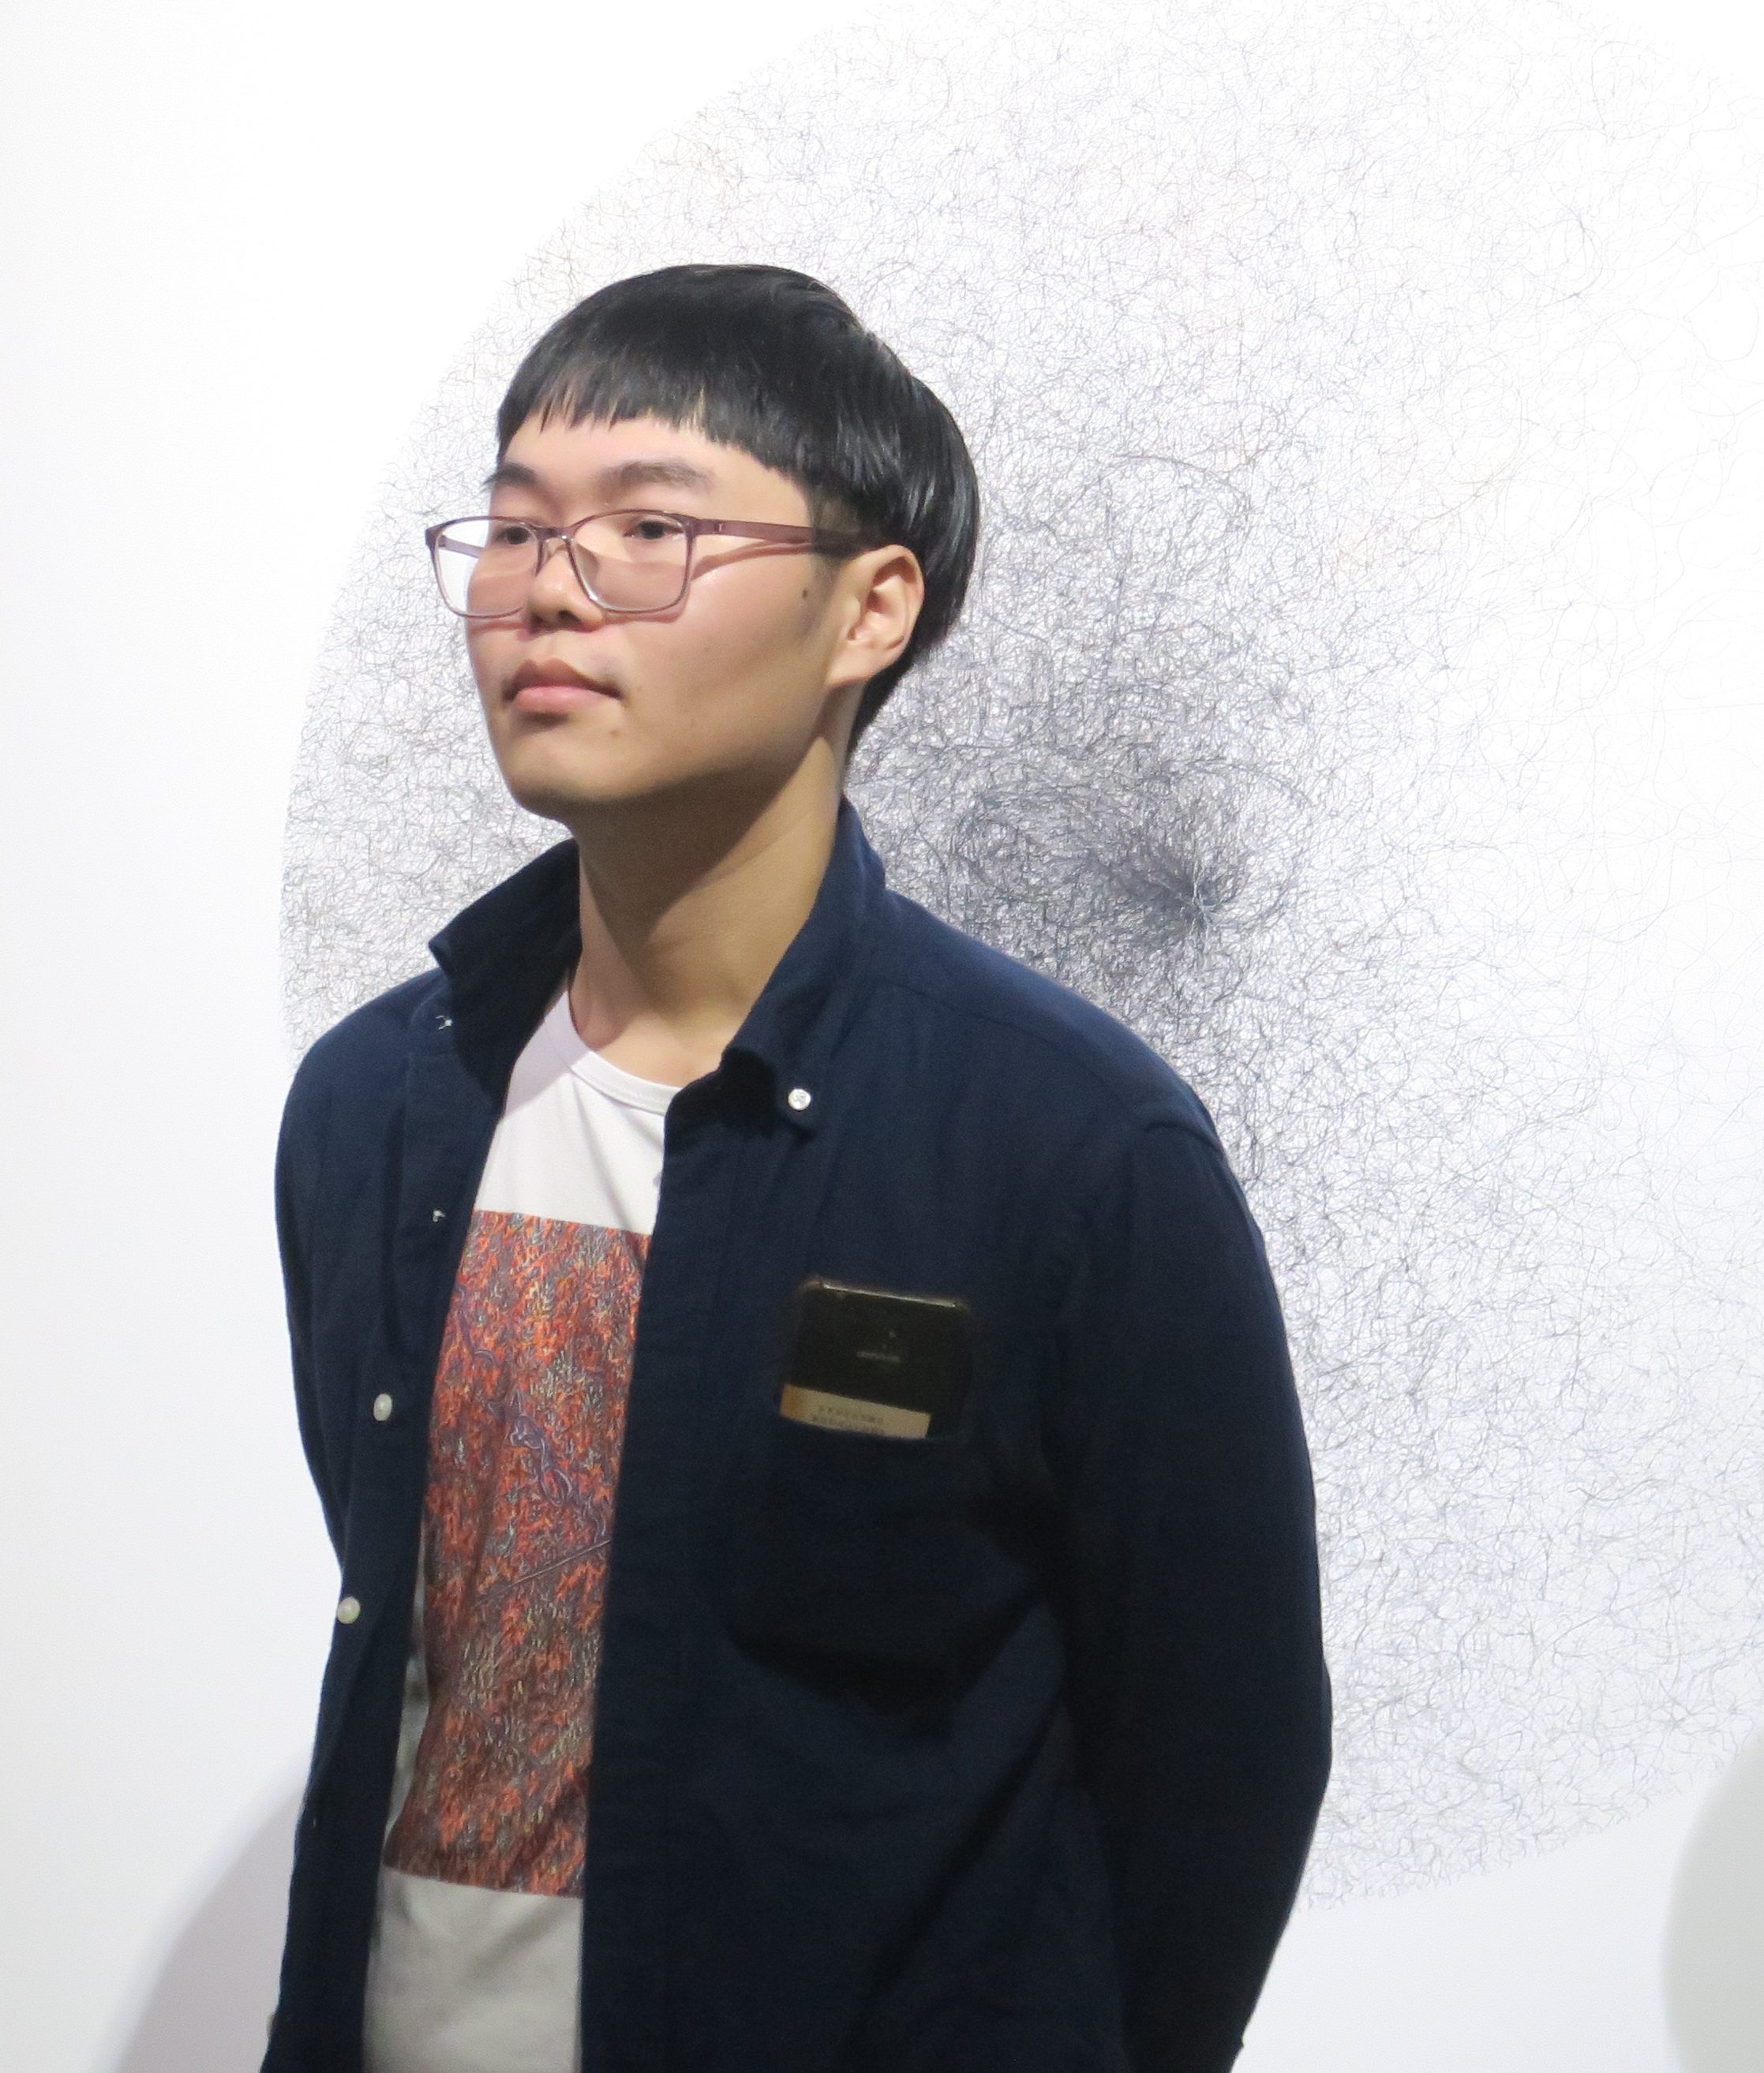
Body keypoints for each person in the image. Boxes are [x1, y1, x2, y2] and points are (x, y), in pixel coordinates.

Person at [263, 262, 1331, 2073]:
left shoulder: (1075, 1153)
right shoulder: (382, 1100)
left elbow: (1221, 1760)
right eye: (514, 530)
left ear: (870, 607)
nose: (551, 590)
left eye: (650, 530)